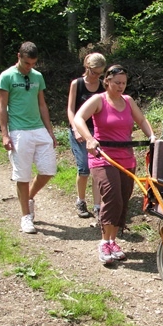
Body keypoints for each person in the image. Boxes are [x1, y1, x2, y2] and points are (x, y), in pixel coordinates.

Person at [73, 65, 155, 265]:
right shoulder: (98, 100)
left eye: (124, 83)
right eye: (117, 82)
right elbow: (78, 118)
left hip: (127, 158)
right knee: (113, 198)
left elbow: (142, 120)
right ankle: (103, 242)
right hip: (103, 158)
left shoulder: (128, 101)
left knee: (123, 200)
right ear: (107, 81)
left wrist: (152, 136)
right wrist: (89, 139)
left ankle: (113, 240)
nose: (121, 86)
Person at [0, 41, 57, 234]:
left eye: (33, 64)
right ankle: (26, 217)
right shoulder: (6, 76)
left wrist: (50, 131)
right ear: (19, 56)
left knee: (48, 170)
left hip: (38, 128)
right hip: (18, 131)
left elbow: (42, 105)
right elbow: (1, 107)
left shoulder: (37, 76)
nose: (30, 67)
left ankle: (29, 197)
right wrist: (5, 134)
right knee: (22, 175)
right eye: (27, 63)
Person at [67, 53, 106, 219]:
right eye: (93, 72)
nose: (96, 76)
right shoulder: (77, 84)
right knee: (84, 168)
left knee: (97, 168)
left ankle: (98, 206)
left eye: (99, 73)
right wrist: (76, 129)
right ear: (87, 67)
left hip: (97, 132)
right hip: (79, 130)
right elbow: (70, 110)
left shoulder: (103, 86)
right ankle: (81, 200)